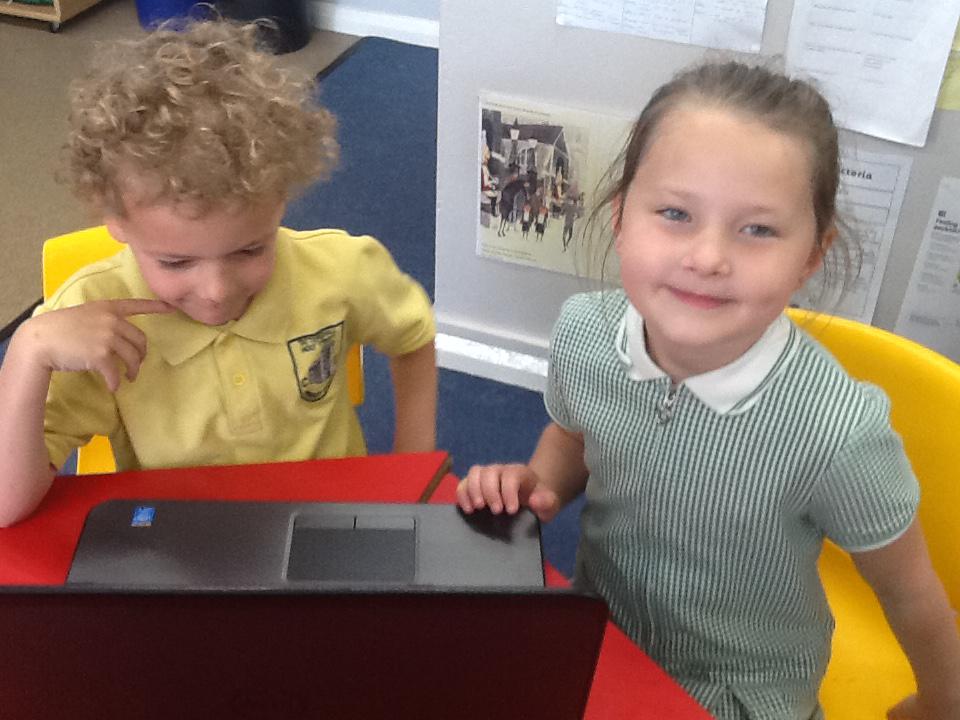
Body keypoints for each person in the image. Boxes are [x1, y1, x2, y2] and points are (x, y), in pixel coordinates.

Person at [456, 61, 960, 720]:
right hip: (602, 636)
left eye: (758, 229)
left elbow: (910, 592)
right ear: (620, 218)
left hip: (740, 688)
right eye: (675, 213)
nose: (708, 257)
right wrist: (536, 483)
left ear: (811, 255)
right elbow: (574, 437)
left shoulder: (837, 433)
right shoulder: (584, 333)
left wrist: (940, 703)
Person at [0, 20, 437, 528]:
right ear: (112, 219)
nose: (216, 292)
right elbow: (6, 505)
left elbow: (412, 335)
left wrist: (412, 467)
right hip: (177, 539)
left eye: (249, 250)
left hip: (325, 524)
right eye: (175, 262)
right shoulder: (91, 315)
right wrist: (27, 352)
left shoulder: (340, 267)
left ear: (279, 201)